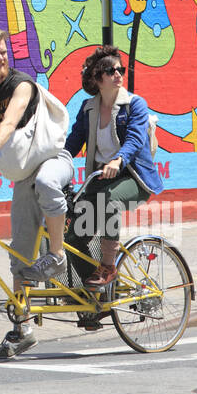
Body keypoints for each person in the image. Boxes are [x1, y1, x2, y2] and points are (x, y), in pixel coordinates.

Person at [0, 27, 73, 360]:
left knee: (46, 184)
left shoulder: (21, 84)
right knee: (20, 256)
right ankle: (23, 329)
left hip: (53, 161)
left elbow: (9, 124)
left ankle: (57, 255)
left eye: (3, 52)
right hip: (24, 176)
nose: (1, 58)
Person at [61, 45, 162, 304]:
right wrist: (56, 160)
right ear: (96, 78)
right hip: (101, 180)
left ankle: (108, 266)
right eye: (110, 70)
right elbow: (73, 142)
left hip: (134, 179)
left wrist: (118, 160)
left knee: (109, 199)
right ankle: (97, 299)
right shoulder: (88, 108)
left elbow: (136, 139)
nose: (117, 74)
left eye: (120, 69)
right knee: (72, 239)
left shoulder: (134, 105)